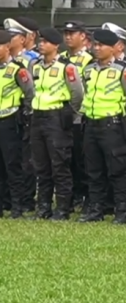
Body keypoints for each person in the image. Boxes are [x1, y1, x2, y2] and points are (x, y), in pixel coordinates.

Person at [78, 29, 126, 224]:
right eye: (95, 45)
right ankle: (96, 209)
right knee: (93, 169)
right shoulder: (89, 70)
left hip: (112, 125)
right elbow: (83, 94)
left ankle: (122, 210)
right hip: (91, 123)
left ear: (113, 48)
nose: (97, 48)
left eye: (101, 45)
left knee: (118, 169)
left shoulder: (123, 70)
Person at [29, 28, 83, 220]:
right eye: (40, 41)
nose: (41, 44)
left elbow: (77, 93)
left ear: (55, 45)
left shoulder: (66, 67)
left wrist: (68, 112)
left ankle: (62, 208)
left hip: (56, 117)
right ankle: (43, 208)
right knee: (41, 165)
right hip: (38, 116)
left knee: (59, 164)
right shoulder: (35, 65)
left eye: (45, 41)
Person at [3, 18, 37, 217]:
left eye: (13, 35)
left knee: (21, 162)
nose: (9, 39)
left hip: (19, 117)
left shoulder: (30, 60)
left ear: (23, 39)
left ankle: (23, 201)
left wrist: (27, 112)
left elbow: (30, 91)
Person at [62, 21, 92, 213]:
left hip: (80, 115)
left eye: (72, 33)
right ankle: (70, 196)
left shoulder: (89, 60)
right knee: (66, 158)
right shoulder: (61, 58)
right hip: (61, 115)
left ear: (83, 36)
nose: (68, 36)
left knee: (82, 159)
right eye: (66, 33)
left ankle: (84, 195)